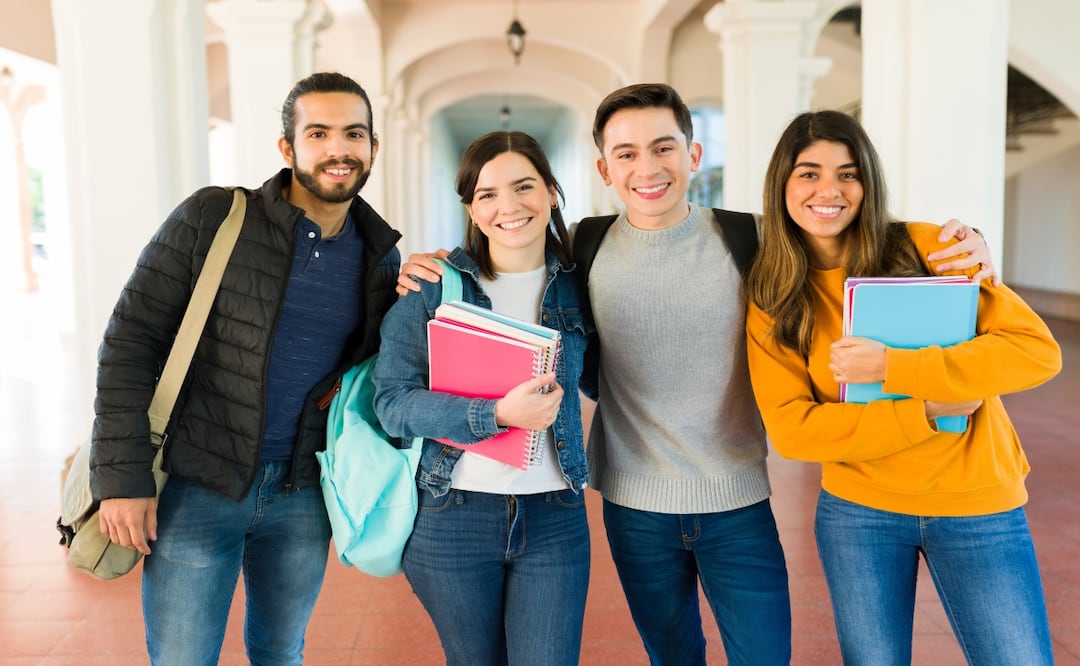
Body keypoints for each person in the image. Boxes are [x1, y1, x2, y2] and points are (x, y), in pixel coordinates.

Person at [396, 83, 997, 665]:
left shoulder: (753, 239)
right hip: (634, 508)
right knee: (673, 655)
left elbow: (845, 236)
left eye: (664, 147)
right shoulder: (587, 247)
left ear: (693, 154)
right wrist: (432, 262)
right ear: (604, 171)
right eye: (626, 154)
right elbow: (511, 263)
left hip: (738, 501)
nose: (647, 167)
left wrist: (965, 244)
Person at [91, 72, 401, 664]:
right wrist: (122, 479)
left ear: (372, 149)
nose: (338, 149)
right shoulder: (213, 218)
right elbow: (129, 344)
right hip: (195, 487)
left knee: (281, 652)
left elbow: (378, 373)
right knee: (184, 657)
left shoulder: (379, 256)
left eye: (354, 134)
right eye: (319, 133)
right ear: (288, 149)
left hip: (302, 494)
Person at [744, 109, 1061, 665]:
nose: (830, 190)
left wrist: (895, 367)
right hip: (860, 513)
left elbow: (1034, 351)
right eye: (808, 172)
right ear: (782, 185)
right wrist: (929, 409)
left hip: (977, 502)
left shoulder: (926, 247)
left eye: (848, 173)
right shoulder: (773, 293)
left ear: (868, 182)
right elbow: (793, 431)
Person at [372, 130, 594, 666]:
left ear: (551, 192)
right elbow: (392, 404)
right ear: (471, 208)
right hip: (453, 516)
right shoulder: (432, 287)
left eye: (524, 187)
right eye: (487, 194)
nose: (509, 206)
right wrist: (492, 415)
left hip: (555, 516)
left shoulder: (580, 285)